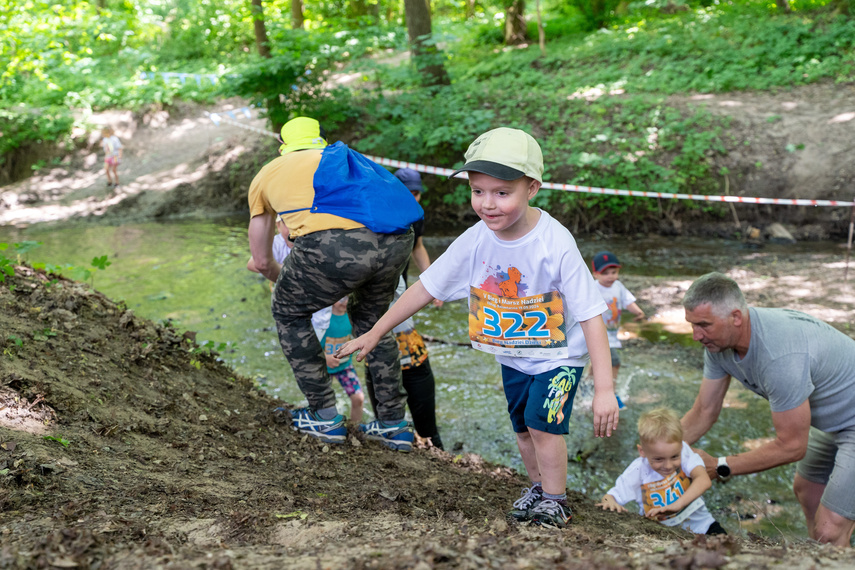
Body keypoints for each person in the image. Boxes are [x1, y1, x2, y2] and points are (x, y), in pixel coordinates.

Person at [337, 127, 619, 528]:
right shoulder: (476, 239)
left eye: (502, 193)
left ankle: (556, 500)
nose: (488, 204)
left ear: (532, 188)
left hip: (560, 356)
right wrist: (374, 332)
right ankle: (538, 488)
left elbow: (592, 314)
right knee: (522, 429)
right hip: (514, 355)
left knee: (542, 426)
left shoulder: (555, 242)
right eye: (478, 191)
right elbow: (424, 287)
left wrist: (605, 389)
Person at [246, 116, 422, 451]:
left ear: (282, 145)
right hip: (400, 239)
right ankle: (394, 424)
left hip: (332, 243)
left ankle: (324, 416)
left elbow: (263, 261)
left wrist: (287, 289)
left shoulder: (268, 172)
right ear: (320, 140)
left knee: (288, 312)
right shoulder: (345, 159)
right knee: (373, 323)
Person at [680, 272, 855, 546]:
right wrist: (656, 451)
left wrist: (720, 466)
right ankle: (830, 557)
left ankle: (832, 547)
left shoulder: (779, 356)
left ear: (736, 317)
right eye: (692, 325)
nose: (695, 335)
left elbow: (793, 446)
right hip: (837, 420)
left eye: (704, 325)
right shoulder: (717, 345)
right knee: (807, 492)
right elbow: (704, 411)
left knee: (830, 529)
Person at [597, 407, 725, 535]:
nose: (668, 465)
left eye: (674, 456)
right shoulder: (637, 471)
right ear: (642, 452)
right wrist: (611, 504)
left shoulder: (684, 451)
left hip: (704, 526)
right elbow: (610, 497)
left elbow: (703, 480)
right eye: (658, 459)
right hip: (663, 533)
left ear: (681, 445)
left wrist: (678, 504)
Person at [364, 277, 444, 450]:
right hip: (377, 361)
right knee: (385, 428)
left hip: (412, 359)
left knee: (428, 433)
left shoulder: (392, 259)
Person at [590, 251, 646, 409]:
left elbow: (627, 301)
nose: (611, 276)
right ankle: (612, 394)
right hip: (599, 333)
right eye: (605, 273)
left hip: (613, 333)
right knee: (614, 362)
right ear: (595, 274)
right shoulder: (593, 288)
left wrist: (638, 312)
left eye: (614, 272)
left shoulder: (618, 287)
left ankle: (589, 383)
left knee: (599, 361)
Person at [394, 168, 442, 308]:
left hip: (400, 281)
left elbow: (418, 247)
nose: (413, 199)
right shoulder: (378, 213)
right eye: (407, 193)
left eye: (416, 194)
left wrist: (432, 285)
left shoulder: (417, 216)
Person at [316, 297, 365, 425]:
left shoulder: (350, 317)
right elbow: (311, 345)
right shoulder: (323, 319)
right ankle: (322, 424)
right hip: (323, 367)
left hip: (344, 367)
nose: (345, 302)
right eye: (340, 298)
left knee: (358, 398)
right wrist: (325, 358)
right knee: (322, 403)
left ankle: (355, 428)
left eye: (348, 297)